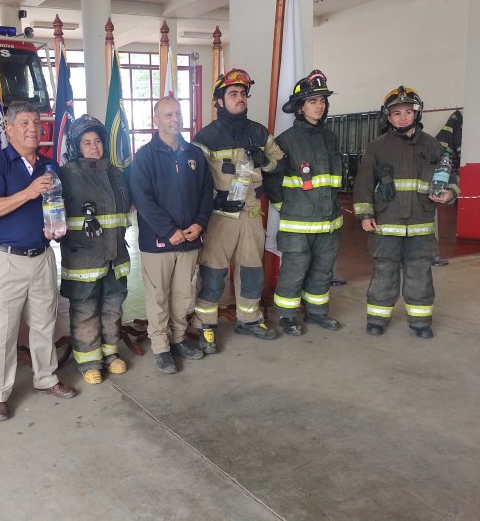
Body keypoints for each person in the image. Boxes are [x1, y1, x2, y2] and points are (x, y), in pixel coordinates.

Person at [0, 101, 76, 421]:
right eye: (23, 123)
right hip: (7, 261)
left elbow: (55, 204)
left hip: (43, 256)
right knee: (3, 330)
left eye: (36, 122)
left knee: (45, 324)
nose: (33, 128)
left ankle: (46, 378)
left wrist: (56, 228)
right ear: (8, 129)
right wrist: (30, 192)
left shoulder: (50, 166)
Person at [353, 86, 459, 339]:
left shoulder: (433, 146)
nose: (402, 117)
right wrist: (365, 214)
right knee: (384, 274)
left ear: (416, 114)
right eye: (396, 112)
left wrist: (449, 194)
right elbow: (363, 183)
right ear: (387, 117)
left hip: (420, 228)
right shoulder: (377, 148)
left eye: (408, 111)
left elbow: (451, 178)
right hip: (386, 226)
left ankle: (420, 322)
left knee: (419, 275)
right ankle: (377, 318)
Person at [191, 69, 284, 352]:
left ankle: (249, 318)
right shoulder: (206, 137)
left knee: (252, 269)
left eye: (243, 94)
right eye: (233, 94)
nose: (239, 98)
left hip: (252, 212)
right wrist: (213, 203)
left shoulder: (259, 132)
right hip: (221, 215)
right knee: (213, 271)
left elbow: (278, 162)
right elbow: (196, 181)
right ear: (219, 101)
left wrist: (263, 161)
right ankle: (205, 323)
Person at [129, 97, 213, 373]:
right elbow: (142, 198)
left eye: (177, 113)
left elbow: (205, 193)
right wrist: (168, 231)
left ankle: (178, 339)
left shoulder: (194, 154)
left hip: (190, 240)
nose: (174, 119)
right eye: (168, 115)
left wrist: (199, 223)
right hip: (158, 244)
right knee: (158, 297)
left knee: (182, 296)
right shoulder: (144, 157)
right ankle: (161, 347)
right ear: (156, 120)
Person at [268, 70, 343, 336]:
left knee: (322, 271)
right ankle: (287, 316)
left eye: (322, 100)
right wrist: (286, 208)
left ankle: (317, 312)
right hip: (298, 223)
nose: (319, 106)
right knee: (294, 271)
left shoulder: (330, 138)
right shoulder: (285, 141)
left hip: (328, 222)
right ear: (300, 107)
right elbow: (273, 182)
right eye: (312, 101)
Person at [59, 115, 130, 384]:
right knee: (86, 310)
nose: (94, 147)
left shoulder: (117, 174)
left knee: (112, 307)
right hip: (83, 259)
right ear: (77, 146)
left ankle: (111, 355)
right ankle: (88, 360)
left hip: (116, 257)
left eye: (98, 141)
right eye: (87, 142)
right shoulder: (65, 175)